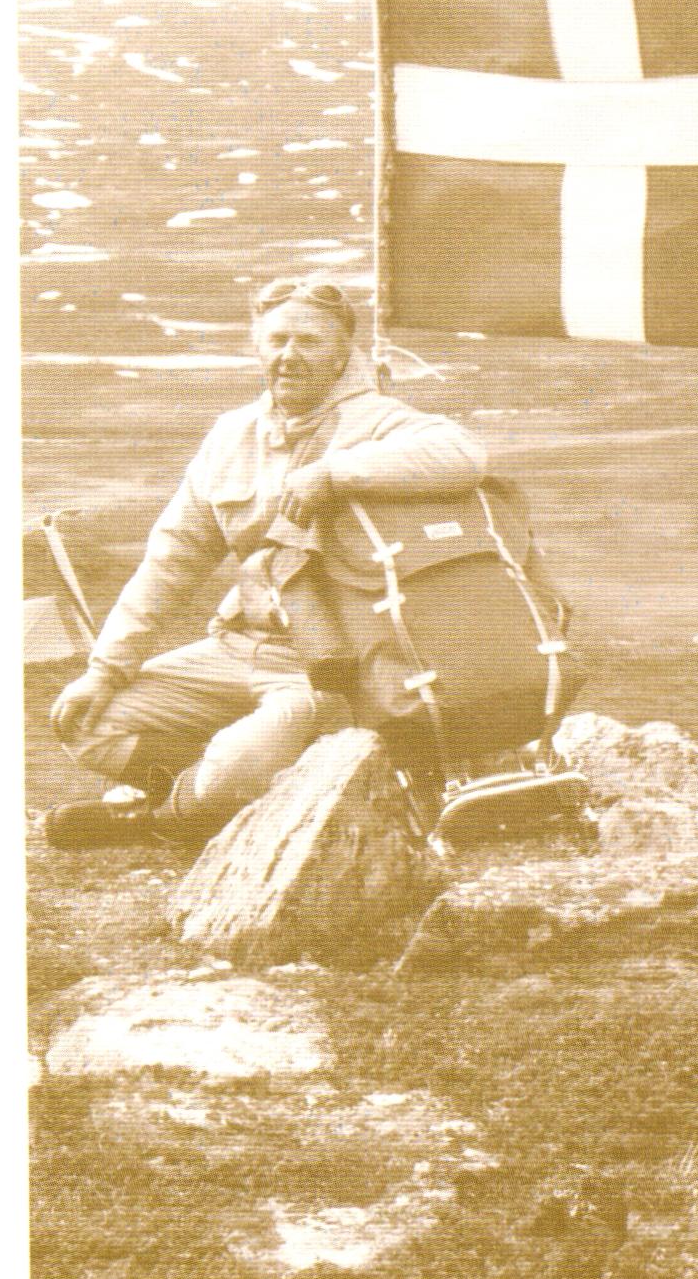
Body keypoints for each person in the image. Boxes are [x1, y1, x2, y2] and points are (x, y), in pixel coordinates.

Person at [46, 274, 488, 851]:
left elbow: (463, 453)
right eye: (278, 340)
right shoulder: (231, 435)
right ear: (257, 346)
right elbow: (170, 562)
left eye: (310, 341)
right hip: (237, 646)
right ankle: (226, 798)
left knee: (232, 769)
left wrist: (333, 474)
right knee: (87, 723)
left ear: (342, 353)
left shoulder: (381, 420)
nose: (290, 356)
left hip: (327, 668)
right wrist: (106, 670)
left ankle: (165, 819)